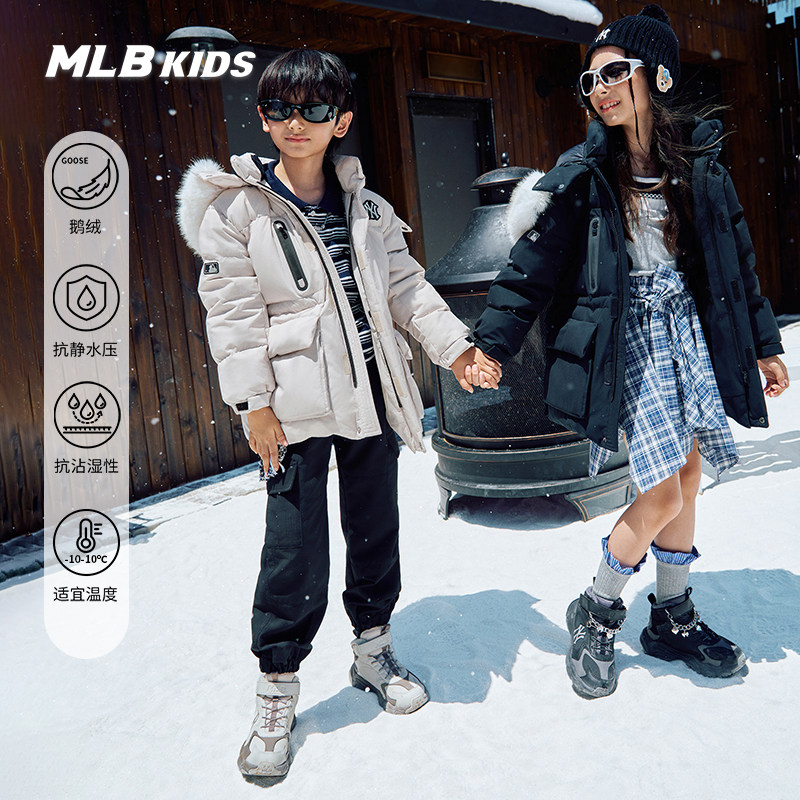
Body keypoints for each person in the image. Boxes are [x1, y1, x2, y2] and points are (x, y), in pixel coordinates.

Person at [176, 48, 499, 776]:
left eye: (314, 109)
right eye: (281, 109)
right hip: (289, 412)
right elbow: (233, 315)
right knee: (293, 547)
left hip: (372, 398)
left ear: (340, 121)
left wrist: (456, 350)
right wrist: (254, 404)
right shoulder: (237, 211)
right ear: (264, 119)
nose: (297, 123)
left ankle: (373, 648)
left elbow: (407, 290)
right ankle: (277, 687)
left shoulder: (367, 206)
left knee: (374, 527)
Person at [469, 5, 789, 699]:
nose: (600, 89)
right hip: (628, 342)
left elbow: (734, 263)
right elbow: (529, 269)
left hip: (686, 336)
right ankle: (597, 608)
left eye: (615, 72)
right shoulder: (586, 174)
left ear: (657, 77)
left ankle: (671, 615)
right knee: (662, 489)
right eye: (591, 80)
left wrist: (764, 344)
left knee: (690, 478)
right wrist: (489, 342)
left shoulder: (698, 166)